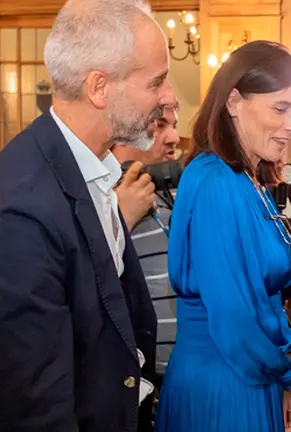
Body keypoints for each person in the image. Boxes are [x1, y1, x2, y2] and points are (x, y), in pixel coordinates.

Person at [0, 0, 175, 430]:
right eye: (156, 82)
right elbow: (31, 403)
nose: (168, 98)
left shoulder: (92, 171)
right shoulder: (21, 211)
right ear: (99, 87)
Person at [154, 40, 291, 432]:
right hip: (226, 380)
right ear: (234, 101)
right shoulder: (215, 182)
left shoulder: (245, 180)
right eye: (281, 108)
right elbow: (236, 316)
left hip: (251, 372)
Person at [114, 103, 181, 379]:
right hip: (138, 382)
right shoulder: (97, 198)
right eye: (161, 125)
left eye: (174, 125)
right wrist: (120, 219)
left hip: (190, 381)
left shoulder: (175, 191)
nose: (174, 138)